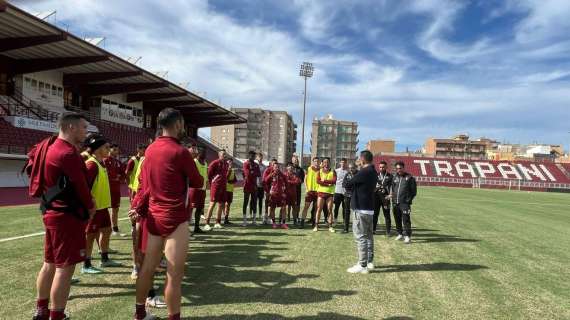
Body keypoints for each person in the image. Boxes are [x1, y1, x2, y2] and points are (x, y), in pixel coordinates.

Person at [131, 108, 203, 320]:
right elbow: (197, 182)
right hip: (175, 218)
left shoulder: (150, 150)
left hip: (153, 217)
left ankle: (140, 313)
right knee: (174, 275)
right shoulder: (180, 152)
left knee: (147, 269)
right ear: (178, 124)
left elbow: (145, 185)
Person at [30, 112, 95, 320]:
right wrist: (91, 207)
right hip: (67, 217)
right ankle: (56, 316)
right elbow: (82, 187)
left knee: (49, 263)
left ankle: (41, 310)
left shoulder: (49, 146)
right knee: (65, 269)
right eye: (84, 128)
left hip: (51, 212)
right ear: (71, 128)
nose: (87, 132)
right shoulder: (68, 153)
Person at [82, 134, 121, 274]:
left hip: (103, 206)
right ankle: (86, 264)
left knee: (106, 231)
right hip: (94, 208)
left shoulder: (101, 162)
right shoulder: (91, 164)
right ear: (98, 149)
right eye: (106, 147)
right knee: (90, 235)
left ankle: (105, 259)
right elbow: (84, 187)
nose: (109, 149)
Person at [345, 150, 378, 274]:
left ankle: (362, 264)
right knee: (369, 237)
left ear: (362, 159)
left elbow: (348, 184)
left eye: (359, 159)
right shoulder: (374, 172)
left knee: (360, 237)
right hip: (369, 209)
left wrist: (358, 169)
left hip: (361, 209)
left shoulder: (364, 171)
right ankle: (369, 262)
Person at [390, 161, 417, 244]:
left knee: (406, 220)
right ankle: (400, 233)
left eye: (400, 168)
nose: (399, 170)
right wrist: (392, 197)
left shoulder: (409, 178)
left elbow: (414, 192)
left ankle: (408, 236)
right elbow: (394, 189)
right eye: (397, 168)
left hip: (404, 203)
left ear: (403, 168)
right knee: (397, 219)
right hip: (395, 203)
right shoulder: (394, 177)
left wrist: (408, 201)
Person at [203, 149, 229, 231]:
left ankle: (217, 222)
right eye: (223, 154)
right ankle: (207, 223)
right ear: (219, 155)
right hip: (215, 186)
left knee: (221, 204)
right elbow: (209, 174)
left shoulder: (226, 164)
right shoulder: (214, 163)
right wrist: (213, 184)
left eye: (225, 154)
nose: (225, 156)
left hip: (223, 186)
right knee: (212, 203)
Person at [103, 143, 126, 237]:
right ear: (110, 150)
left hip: (116, 189)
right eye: (114, 150)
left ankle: (115, 229)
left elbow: (123, 173)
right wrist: (114, 177)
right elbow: (105, 175)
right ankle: (106, 230)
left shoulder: (117, 162)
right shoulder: (105, 161)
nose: (116, 152)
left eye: (117, 150)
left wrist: (119, 177)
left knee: (115, 209)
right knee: (105, 210)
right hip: (107, 189)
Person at [187, 144, 208, 234]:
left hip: (202, 189)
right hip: (194, 189)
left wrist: (205, 186)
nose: (204, 154)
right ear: (198, 152)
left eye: (205, 152)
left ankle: (196, 227)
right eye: (203, 151)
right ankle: (186, 229)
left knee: (199, 209)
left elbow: (206, 177)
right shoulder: (194, 161)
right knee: (190, 208)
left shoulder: (206, 163)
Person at [263, 159, 288, 229]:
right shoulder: (270, 174)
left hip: (281, 194)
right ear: (273, 167)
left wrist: (285, 192)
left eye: (277, 167)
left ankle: (283, 223)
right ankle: (274, 223)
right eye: (275, 167)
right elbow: (265, 181)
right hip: (273, 194)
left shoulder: (281, 174)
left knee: (283, 208)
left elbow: (286, 182)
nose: (277, 168)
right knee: (272, 208)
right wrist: (269, 191)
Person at [314, 157, 337, 232]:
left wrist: (325, 181)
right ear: (323, 163)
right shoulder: (319, 171)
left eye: (327, 162)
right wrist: (327, 184)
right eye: (324, 162)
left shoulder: (333, 171)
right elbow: (318, 181)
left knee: (330, 210)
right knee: (319, 209)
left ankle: (330, 226)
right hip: (321, 193)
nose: (326, 164)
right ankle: (316, 225)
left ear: (329, 163)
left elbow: (334, 181)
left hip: (329, 193)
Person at [373, 160, 394, 236]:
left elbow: (393, 187)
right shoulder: (375, 175)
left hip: (385, 197)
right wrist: (375, 187)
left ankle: (388, 231)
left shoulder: (390, 176)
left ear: (386, 167)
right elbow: (371, 186)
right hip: (376, 197)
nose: (381, 168)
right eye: (380, 167)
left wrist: (391, 194)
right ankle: (373, 229)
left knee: (387, 215)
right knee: (375, 214)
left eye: (383, 167)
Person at [300, 157, 320, 228]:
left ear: (319, 162)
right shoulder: (309, 169)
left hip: (317, 192)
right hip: (310, 191)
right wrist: (307, 189)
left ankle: (314, 223)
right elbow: (305, 179)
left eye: (317, 161)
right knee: (306, 207)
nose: (316, 162)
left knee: (315, 208)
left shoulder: (321, 170)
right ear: (313, 162)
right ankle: (302, 222)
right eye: (315, 161)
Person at [242, 151, 260, 226]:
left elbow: (259, 174)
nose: (253, 157)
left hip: (254, 186)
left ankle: (254, 220)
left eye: (254, 156)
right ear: (249, 156)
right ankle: (244, 220)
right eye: (252, 156)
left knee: (254, 202)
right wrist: (253, 172)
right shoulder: (245, 164)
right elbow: (247, 174)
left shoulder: (256, 164)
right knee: (245, 202)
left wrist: (252, 172)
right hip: (247, 185)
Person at [341, 163, 358, 233]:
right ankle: (346, 229)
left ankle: (356, 228)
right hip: (347, 195)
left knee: (356, 212)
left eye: (352, 168)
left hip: (356, 196)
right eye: (350, 168)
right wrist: (346, 190)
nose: (351, 169)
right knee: (346, 211)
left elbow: (359, 185)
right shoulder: (347, 174)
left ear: (355, 168)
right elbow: (343, 184)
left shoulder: (359, 174)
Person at [284, 162, 301, 226]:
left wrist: (288, 181)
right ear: (286, 167)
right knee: (283, 207)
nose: (290, 167)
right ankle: (282, 220)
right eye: (289, 166)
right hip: (286, 194)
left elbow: (297, 182)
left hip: (293, 194)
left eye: (291, 166)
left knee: (294, 207)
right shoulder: (284, 174)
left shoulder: (295, 174)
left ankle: (294, 220)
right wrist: (291, 182)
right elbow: (284, 182)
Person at [290, 155, 305, 225]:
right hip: (290, 189)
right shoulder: (290, 168)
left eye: (297, 160)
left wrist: (298, 181)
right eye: (295, 160)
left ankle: (296, 217)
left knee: (297, 204)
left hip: (298, 189)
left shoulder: (301, 169)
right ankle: (288, 217)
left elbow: (302, 180)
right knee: (289, 204)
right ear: (292, 161)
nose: (296, 161)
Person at [255, 153, 269, 224]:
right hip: (255, 185)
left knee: (261, 200)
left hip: (261, 186)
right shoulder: (255, 165)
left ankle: (260, 214)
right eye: (259, 157)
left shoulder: (264, 167)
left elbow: (265, 176)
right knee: (254, 200)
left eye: (261, 157)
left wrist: (263, 183)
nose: (260, 158)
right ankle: (253, 214)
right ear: (257, 157)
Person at [333, 158, 348, 224]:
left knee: (344, 207)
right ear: (340, 163)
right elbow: (333, 181)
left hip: (345, 192)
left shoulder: (348, 172)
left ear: (346, 163)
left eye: (344, 162)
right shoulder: (336, 171)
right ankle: (335, 219)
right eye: (342, 162)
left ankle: (344, 220)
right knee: (336, 207)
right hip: (337, 191)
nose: (343, 164)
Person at [223, 158, 237, 225]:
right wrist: (229, 170)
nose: (230, 164)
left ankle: (226, 218)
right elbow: (226, 178)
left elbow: (235, 180)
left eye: (231, 162)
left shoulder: (232, 170)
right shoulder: (226, 169)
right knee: (224, 204)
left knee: (228, 205)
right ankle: (221, 218)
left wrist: (231, 181)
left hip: (230, 190)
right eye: (229, 162)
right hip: (225, 189)